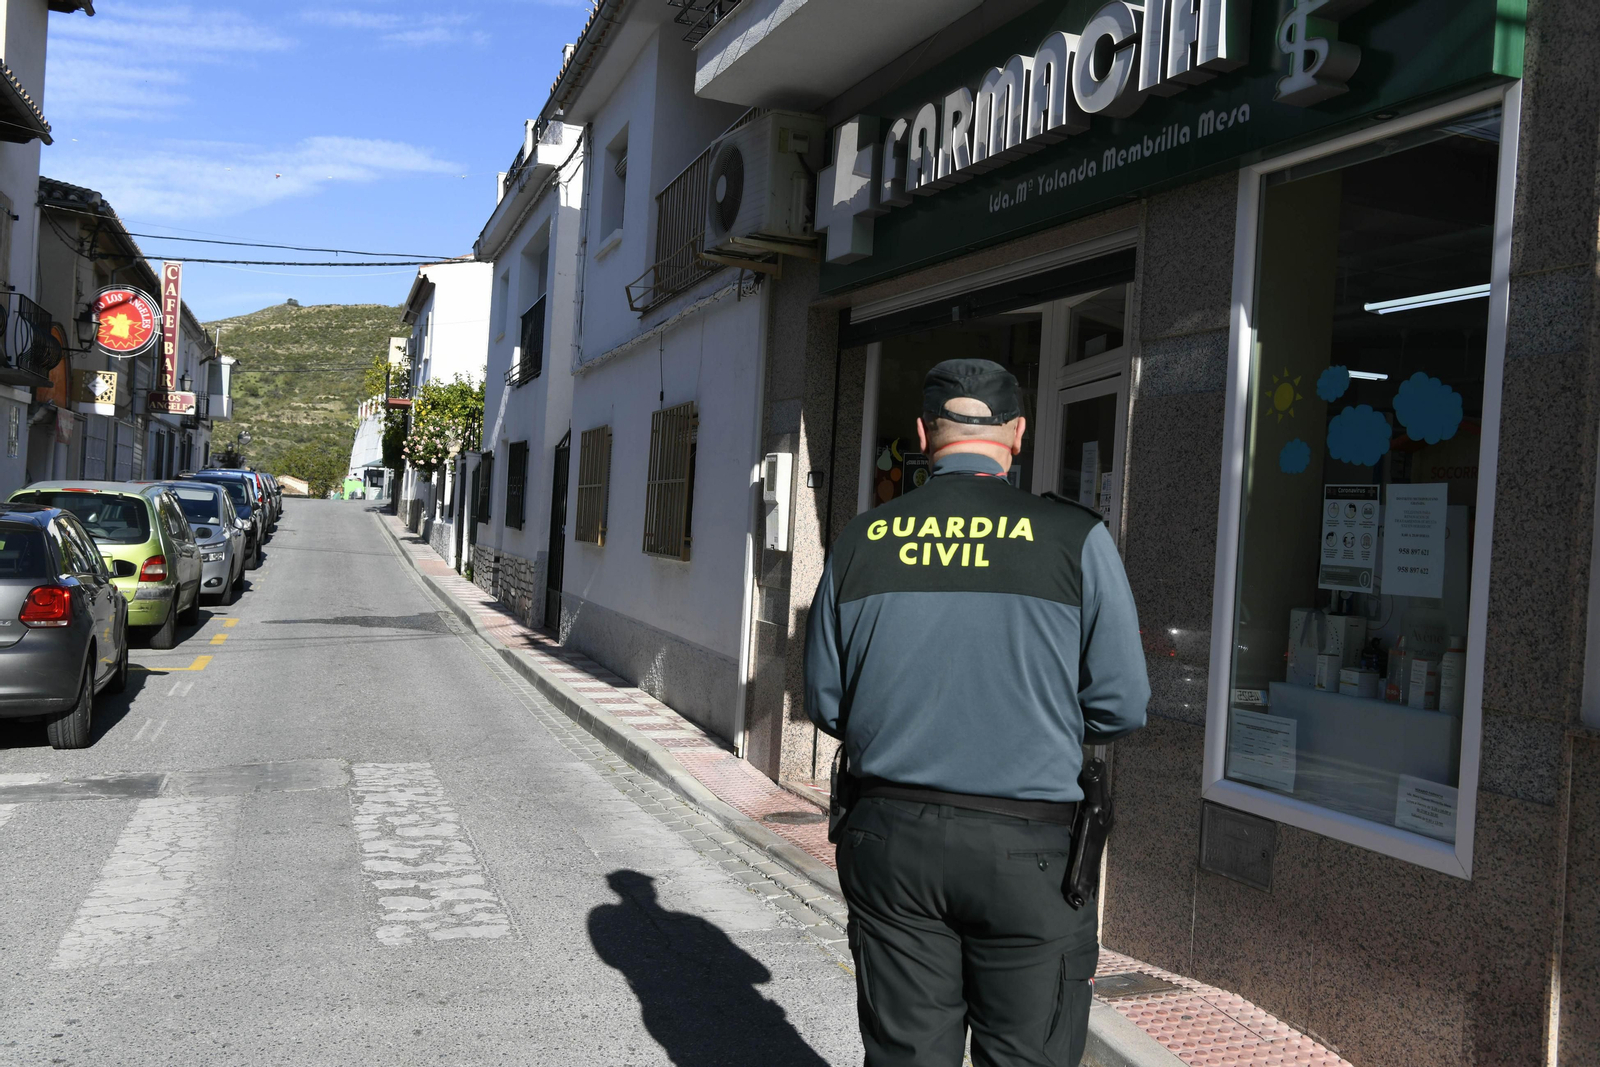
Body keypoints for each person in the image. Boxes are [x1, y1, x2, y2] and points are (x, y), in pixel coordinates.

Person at [804, 357, 1150, 1067]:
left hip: (890, 836)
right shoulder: (1075, 539)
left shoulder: (861, 541)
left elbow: (827, 702)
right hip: (1030, 848)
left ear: (923, 433)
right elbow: (1120, 705)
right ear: (1018, 433)